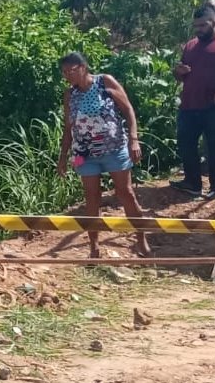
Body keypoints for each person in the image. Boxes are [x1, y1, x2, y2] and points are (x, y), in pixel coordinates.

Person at [56, 53, 151, 258]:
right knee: (91, 197)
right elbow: (68, 127)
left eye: (70, 71)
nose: (67, 76)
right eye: (64, 73)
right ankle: (94, 246)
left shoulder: (104, 82)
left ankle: (141, 238)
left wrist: (133, 139)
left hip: (114, 148)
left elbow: (128, 110)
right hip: (84, 153)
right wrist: (63, 157)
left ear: (83, 67)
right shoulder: (69, 94)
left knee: (125, 193)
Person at [172, 5, 215, 198]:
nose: (198, 29)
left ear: (214, 22)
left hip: (214, 105)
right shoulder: (191, 45)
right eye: (196, 25)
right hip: (189, 104)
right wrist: (179, 72)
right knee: (186, 143)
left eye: (202, 25)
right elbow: (181, 73)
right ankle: (192, 183)